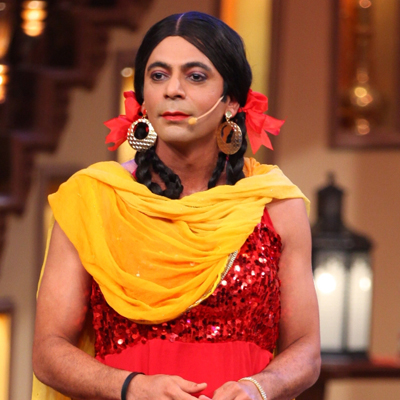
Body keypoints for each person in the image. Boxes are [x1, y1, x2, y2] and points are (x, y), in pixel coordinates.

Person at [32, 11, 320, 400]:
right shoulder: (94, 199)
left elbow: (305, 348)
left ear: (232, 100)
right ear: (143, 98)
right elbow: (48, 352)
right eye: (158, 75)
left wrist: (260, 387)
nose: (172, 90)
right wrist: (133, 387)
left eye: (195, 76)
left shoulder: (276, 204)